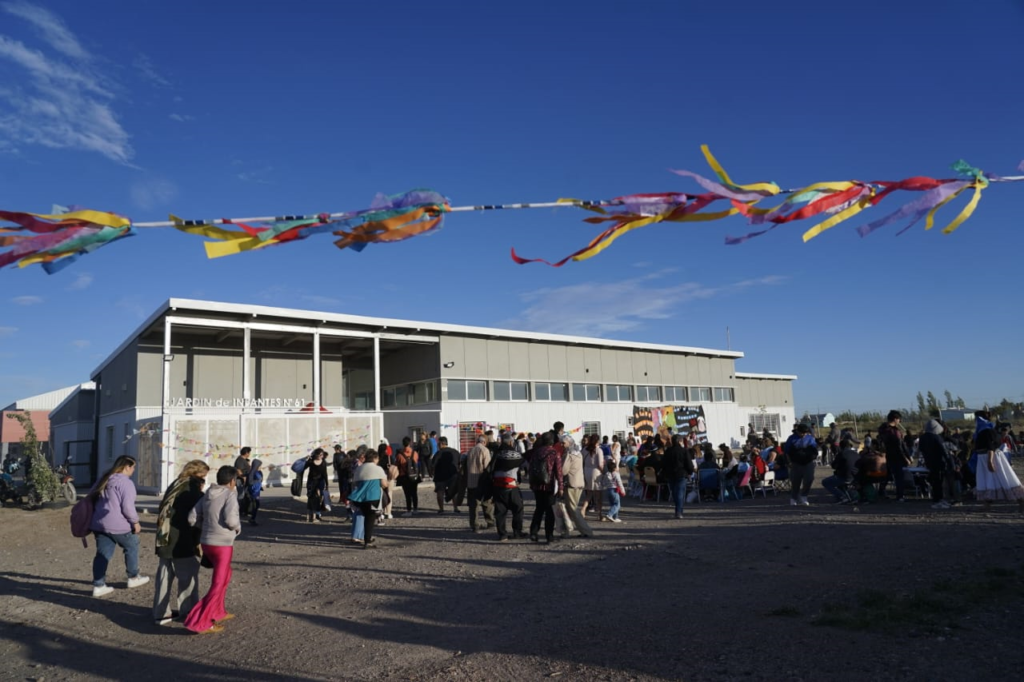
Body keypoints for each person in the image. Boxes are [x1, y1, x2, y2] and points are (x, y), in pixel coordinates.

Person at [184, 465, 241, 634]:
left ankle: (218, 611)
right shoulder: (230, 495)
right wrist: (237, 528)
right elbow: (231, 520)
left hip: (207, 542)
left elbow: (191, 517)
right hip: (222, 543)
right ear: (232, 481)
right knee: (217, 583)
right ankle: (200, 621)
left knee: (225, 576)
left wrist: (206, 526)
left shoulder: (208, 494)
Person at [152, 459, 209, 625]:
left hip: (164, 537)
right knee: (188, 578)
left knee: (164, 577)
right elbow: (197, 518)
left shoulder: (176, 483)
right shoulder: (192, 490)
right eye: (203, 477)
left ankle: (160, 612)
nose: (204, 481)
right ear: (196, 474)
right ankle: (190, 612)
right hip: (181, 539)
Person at [88, 456, 150, 598]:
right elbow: (128, 507)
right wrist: (135, 522)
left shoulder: (104, 478)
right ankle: (133, 577)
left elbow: (91, 496)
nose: (134, 470)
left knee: (102, 554)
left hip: (100, 523)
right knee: (132, 545)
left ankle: (99, 585)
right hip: (119, 524)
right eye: (133, 467)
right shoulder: (126, 483)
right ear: (127, 467)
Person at [974, 428, 1024, 512]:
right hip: (985, 460)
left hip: (991, 460)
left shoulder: (988, 437)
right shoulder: (986, 437)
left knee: (1005, 480)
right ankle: (987, 506)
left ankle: (1021, 502)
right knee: (987, 483)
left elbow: (990, 448)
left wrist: (990, 461)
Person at [528, 432, 563, 543]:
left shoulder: (536, 452)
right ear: (552, 442)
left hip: (537, 484)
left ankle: (533, 532)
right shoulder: (554, 453)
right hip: (549, 485)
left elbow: (530, 468)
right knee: (549, 510)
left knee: (539, 509)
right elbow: (558, 471)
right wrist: (561, 486)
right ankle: (549, 535)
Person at [348, 451, 388, 548]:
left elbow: (355, 483)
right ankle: (367, 541)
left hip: (360, 498)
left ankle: (364, 537)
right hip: (373, 497)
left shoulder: (359, 468)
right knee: (370, 519)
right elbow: (384, 484)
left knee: (364, 517)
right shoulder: (378, 469)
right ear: (375, 458)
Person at [491, 434, 525, 541]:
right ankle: (517, 532)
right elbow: (521, 467)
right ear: (511, 442)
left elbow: (490, 468)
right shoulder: (516, 454)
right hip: (511, 485)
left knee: (500, 511)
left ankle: (502, 534)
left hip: (497, 486)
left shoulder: (496, 454)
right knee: (518, 509)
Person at [559, 436, 592, 537]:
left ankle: (586, 531)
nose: (562, 445)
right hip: (579, 483)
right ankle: (567, 530)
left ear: (569, 443)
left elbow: (564, 471)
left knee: (572, 509)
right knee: (570, 508)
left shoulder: (569, 454)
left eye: (563, 443)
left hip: (571, 484)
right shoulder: (578, 453)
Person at [878, 410, 910, 502]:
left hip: (887, 455)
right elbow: (899, 446)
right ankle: (900, 496)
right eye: (899, 419)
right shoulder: (895, 431)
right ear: (895, 419)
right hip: (896, 456)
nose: (899, 421)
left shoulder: (882, 429)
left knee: (887, 475)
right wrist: (906, 458)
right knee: (899, 477)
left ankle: (881, 492)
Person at [919, 419, 950, 510]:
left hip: (929, 462)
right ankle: (938, 500)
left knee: (934, 481)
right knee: (939, 481)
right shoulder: (937, 437)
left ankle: (937, 499)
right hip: (939, 462)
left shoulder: (923, 437)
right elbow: (944, 450)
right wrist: (949, 461)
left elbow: (921, 449)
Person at [466, 435, 495, 531]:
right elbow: (487, 467)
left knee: (473, 505)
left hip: (471, 481)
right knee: (487, 502)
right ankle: (490, 522)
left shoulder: (470, 450)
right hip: (481, 481)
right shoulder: (485, 450)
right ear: (484, 442)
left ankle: (475, 525)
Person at [663, 434, 695, 519]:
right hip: (681, 474)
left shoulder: (668, 451)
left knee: (674, 493)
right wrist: (690, 472)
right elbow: (689, 463)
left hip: (670, 474)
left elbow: (664, 463)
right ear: (680, 441)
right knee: (680, 493)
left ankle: (677, 510)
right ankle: (679, 512)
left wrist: (665, 473)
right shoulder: (684, 451)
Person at [786, 424, 817, 506]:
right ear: (797, 431)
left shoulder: (810, 438)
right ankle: (794, 497)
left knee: (809, 479)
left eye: (805, 433)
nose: (803, 435)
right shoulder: (791, 439)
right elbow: (787, 452)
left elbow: (814, 449)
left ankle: (804, 496)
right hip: (796, 463)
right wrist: (789, 462)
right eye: (802, 433)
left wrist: (813, 456)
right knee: (795, 481)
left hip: (808, 462)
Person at [432, 437, 461, 513]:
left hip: (440, 476)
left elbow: (433, 464)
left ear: (441, 444)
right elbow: (459, 463)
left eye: (438, 444)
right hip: (453, 475)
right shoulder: (455, 452)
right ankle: (455, 508)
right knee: (454, 492)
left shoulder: (438, 453)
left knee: (440, 492)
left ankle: (441, 509)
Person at [580, 434, 604, 518]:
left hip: (586, 470)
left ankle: (583, 509)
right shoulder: (598, 450)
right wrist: (603, 472)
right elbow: (600, 464)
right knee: (598, 494)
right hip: (596, 471)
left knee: (589, 492)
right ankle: (600, 513)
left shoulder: (584, 450)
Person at [397, 438, 420, 515]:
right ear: (410, 443)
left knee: (407, 494)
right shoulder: (415, 453)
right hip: (414, 475)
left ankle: (409, 510)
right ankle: (416, 509)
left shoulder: (400, 455)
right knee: (414, 493)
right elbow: (416, 462)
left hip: (404, 476)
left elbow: (397, 465)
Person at [305, 448, 329, 522]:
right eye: (319, 454)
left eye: (322, 454)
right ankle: (310, 515)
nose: (320, 456)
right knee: (311, 498)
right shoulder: (311, 461)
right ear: (316, 454)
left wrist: (327, 484)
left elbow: (325, 474)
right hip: (311, 482)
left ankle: (317, 515)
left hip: (320, 482)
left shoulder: (323, 462)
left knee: (319, 498)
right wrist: (306, 459)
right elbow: (303, 467)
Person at [601, 459, 625, 523]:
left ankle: (615, 517)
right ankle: (609, 514)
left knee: (613, 504)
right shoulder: (616, 474)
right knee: (617, 504)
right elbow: (619, 483)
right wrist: (623, 490)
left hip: (608, 490)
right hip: (615, 490)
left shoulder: (607, 474)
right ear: (615, 468)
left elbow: (603, 482)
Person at [234, 446, 252, 516]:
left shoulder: (244, 460)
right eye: (249, 452)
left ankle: (245, 510)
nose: (249, 454)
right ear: (246, 453)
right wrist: (243, 478)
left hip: (244, 480)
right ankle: (239, 511)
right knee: (241, 496)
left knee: (245, 496)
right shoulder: (240, 460)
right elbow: (239, 470)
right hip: (241, 480)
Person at [246, 459, 263, 525]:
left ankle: (253, 518)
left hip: (257, 490)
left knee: (257, 505)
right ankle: (252, 519)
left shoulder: (259, 472)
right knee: (255, 505)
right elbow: (250, 482)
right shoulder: (252, 473)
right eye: (259, 466)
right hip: (253, 491)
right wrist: (256, 483)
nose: (260, 467)